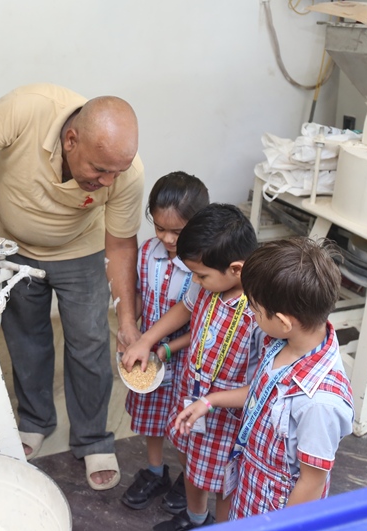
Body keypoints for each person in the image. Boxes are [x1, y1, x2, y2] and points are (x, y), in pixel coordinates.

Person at [0, 83, 145, 491]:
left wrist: (127, 321)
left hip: (82, 252)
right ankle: (36, 420)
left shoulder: (125, 173)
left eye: (117, 172)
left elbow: (121, 245)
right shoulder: (27, 110)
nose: (108, 180)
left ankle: (93, 438)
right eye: (99, 170)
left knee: (90, 343)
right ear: (71, 140)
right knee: (26, 339)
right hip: (16, 248)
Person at [173, 237, 354, 520]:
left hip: (274, 514)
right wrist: (210, 400)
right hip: (250, 490)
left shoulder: (319, 403)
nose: (252, 314)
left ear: (283, 321)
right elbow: (262, 392)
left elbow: (312, 483)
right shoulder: (283, 343)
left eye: (255, 310)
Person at [122, 203, 261, 530]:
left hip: (226, 416)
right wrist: (147, 340)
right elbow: (185, 309)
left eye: (200, 275)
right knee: (192, 464)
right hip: (191, 397)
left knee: (224, 482)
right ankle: (196, 518)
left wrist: (210, 401)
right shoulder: (210, 286)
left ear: (236, 269)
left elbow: (261, 389)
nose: (194, 281)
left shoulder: (260, 312)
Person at [120, 172, 209, 514]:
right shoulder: (147, 253)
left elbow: (197, 320)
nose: (168, 238)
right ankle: (155, 471)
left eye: (178, 231)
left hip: (187, 359)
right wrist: (129, 331)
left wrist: (166, 346)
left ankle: (189, 479)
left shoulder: (203, 266)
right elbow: (139, 294)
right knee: (152, 415)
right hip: (151, 358)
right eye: (160, 228)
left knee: (188, 424)